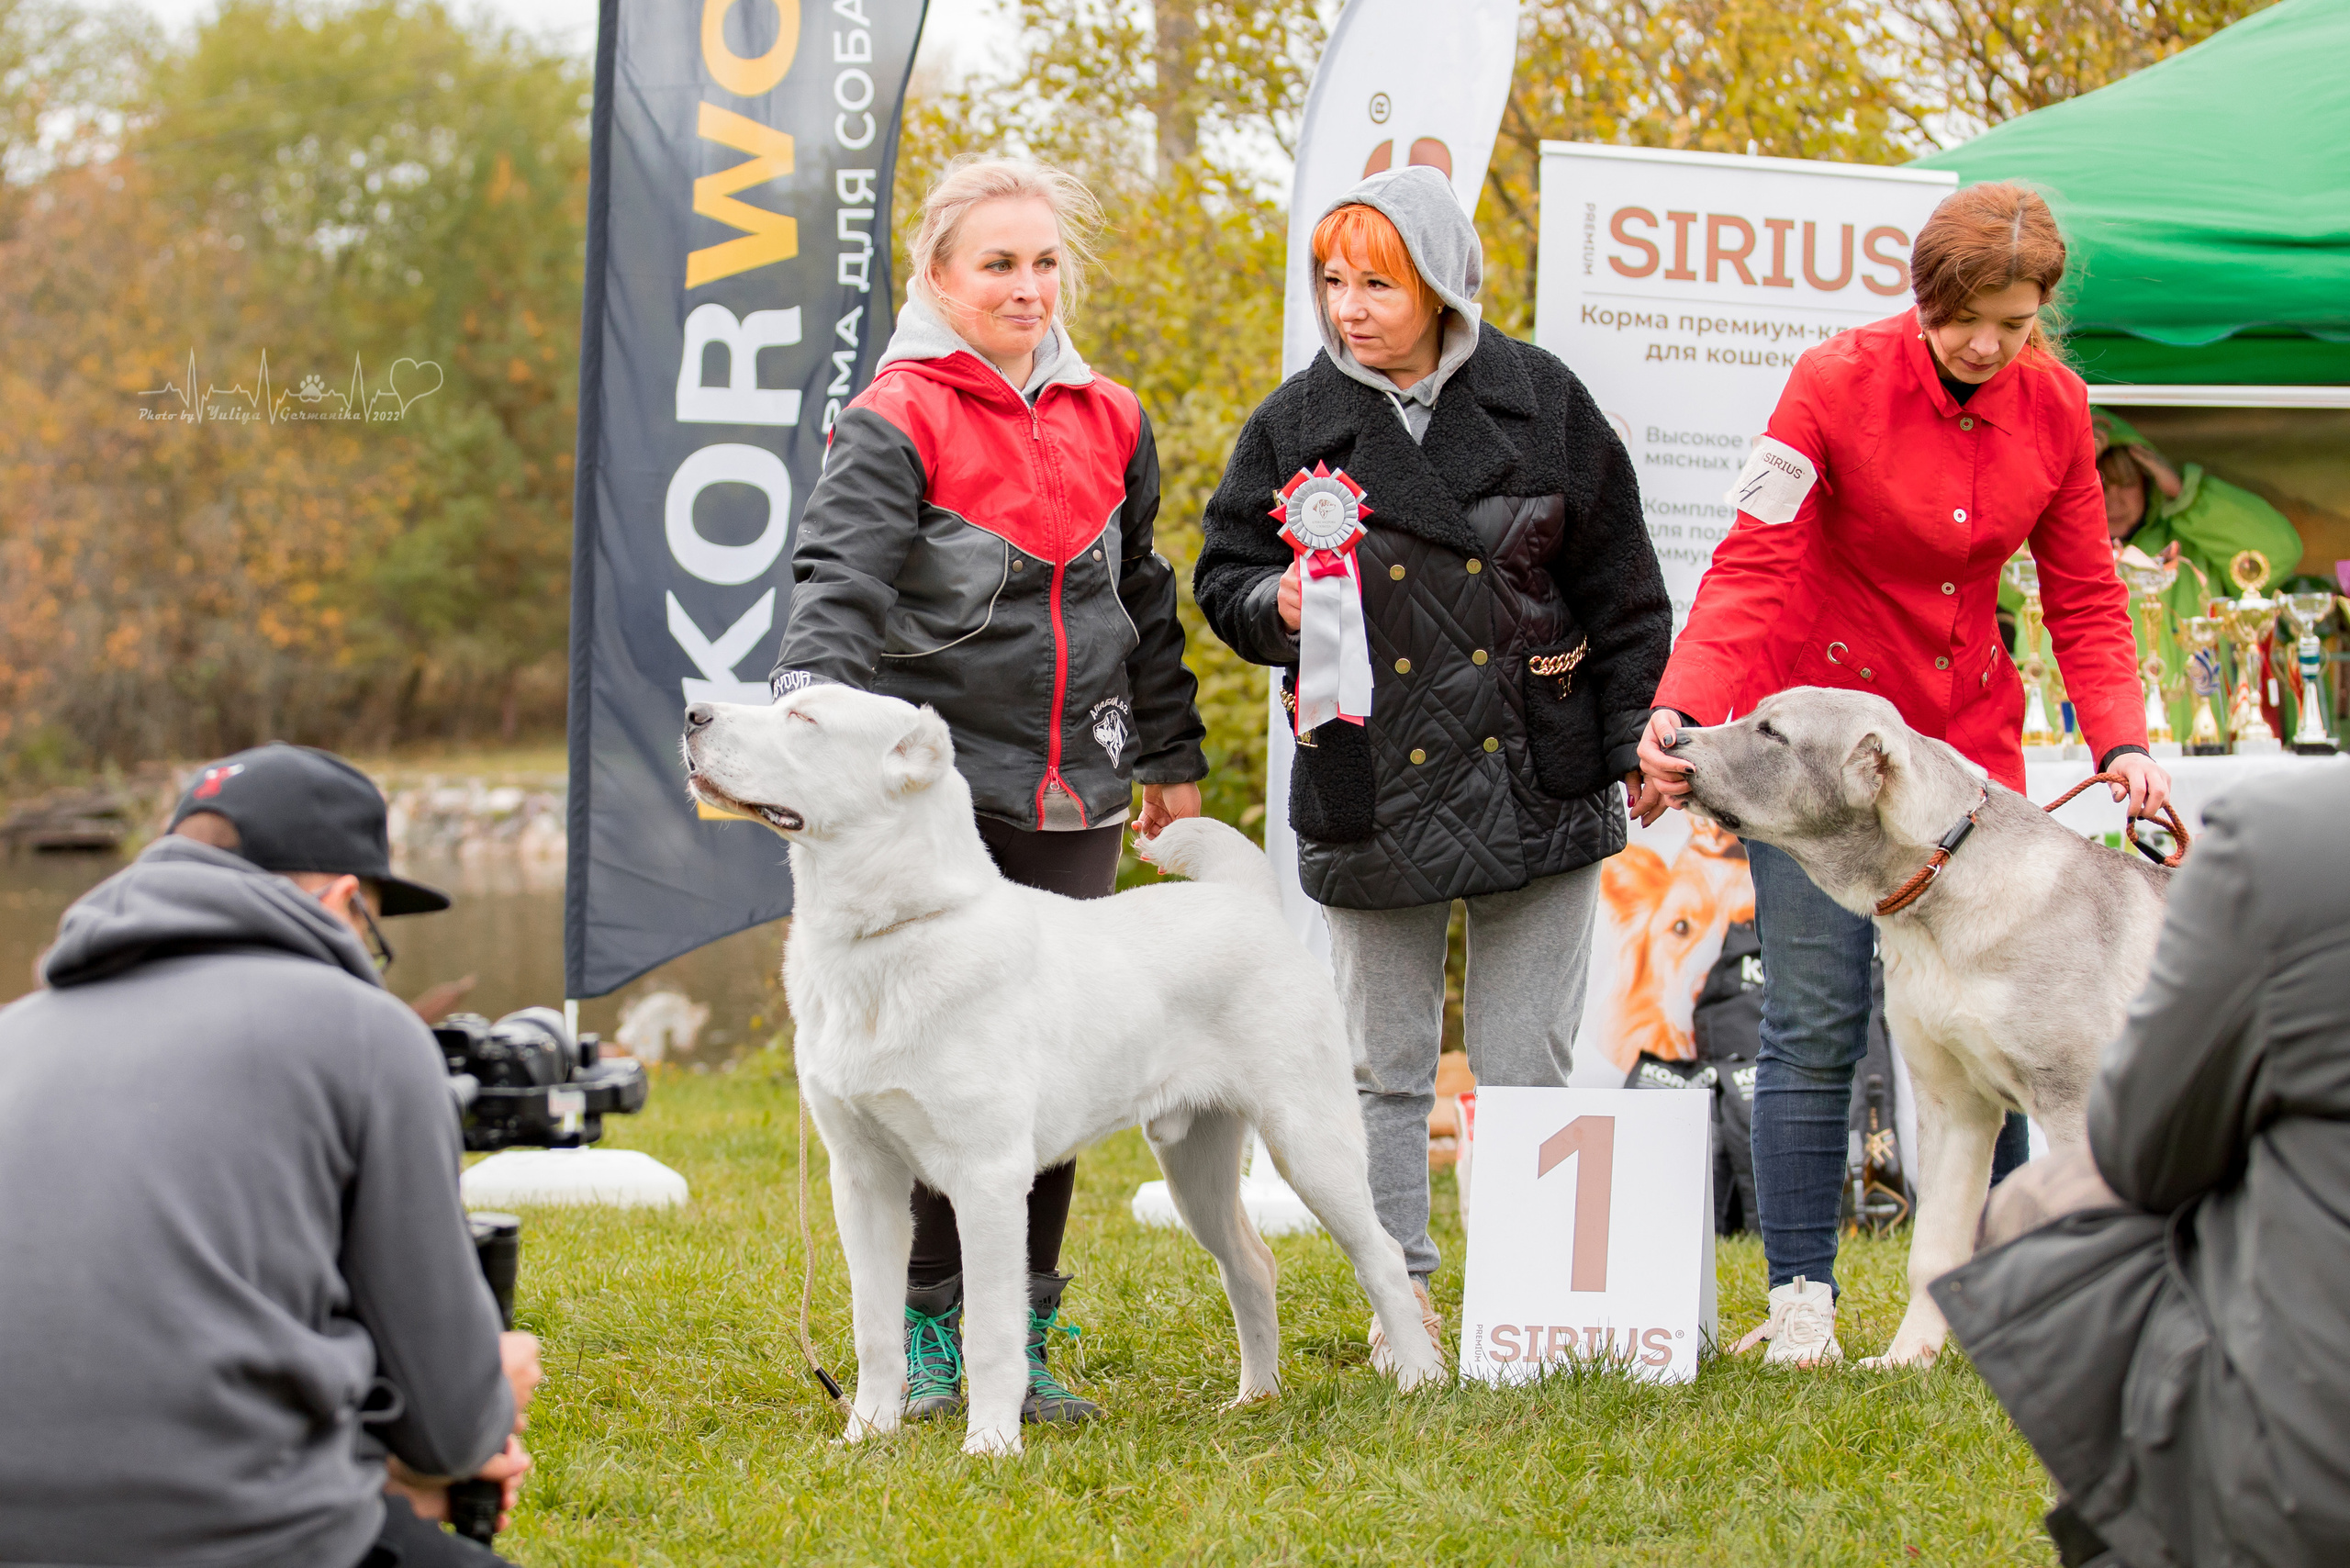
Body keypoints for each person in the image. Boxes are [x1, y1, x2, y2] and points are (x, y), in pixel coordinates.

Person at [1639, 182, 2170, 1365]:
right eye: (1963, 316)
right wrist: (1684, 705)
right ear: (1922, 296)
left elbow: (2082, 592)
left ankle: (2009, 1298)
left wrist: (2120, 740)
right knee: (1815, 1017)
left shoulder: (2060, 408)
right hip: (1821, 763)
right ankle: (1799, 1304)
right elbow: (1753, 564)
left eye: (2015, 321)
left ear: (2042, 316)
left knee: (2009, 1037)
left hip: (1963, 759)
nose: (1986, 343)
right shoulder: (1831, 383)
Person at [1194, 166, 1672, 1360]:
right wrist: (1276, 601)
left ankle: (1528, 1295)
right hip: (1369, 784)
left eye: (1377, 283)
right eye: (1333, 282)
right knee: (1382, 1068)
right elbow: (1218, 581)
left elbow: (1624, 595)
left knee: (1525, 1067)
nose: (1349, 307)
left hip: (1539, 775)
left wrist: (1634, 748)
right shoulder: (1291, 424)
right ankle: (1398, 1300)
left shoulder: (1546, 402)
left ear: (1443, 284)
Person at [766, 155, 1207, 1426]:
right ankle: (926, 1330)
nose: (1027, 286)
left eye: (1044, 262)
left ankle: (1027, 1324)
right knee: (915, 1062)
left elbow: (1146, 597)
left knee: (1045, 1063)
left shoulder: (1113, 416)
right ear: (940, 278)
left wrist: (1169, 754)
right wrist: (804, 755)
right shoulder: (894, 416)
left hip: (1080, 782)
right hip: (932, 804)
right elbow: (836, 591)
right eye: (998, 264)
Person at [0, 744, 539, 1568]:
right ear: (344, 901)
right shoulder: (367, 1031)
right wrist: (494, 1383)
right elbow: (450, 1433)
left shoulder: (15, 1033)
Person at [1935, 765, 2350, 1568]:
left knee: (2050, 1194)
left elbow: (2140, 1150)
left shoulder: (2284, 838)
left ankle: (2147, 1527)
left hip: (2312, 1488)